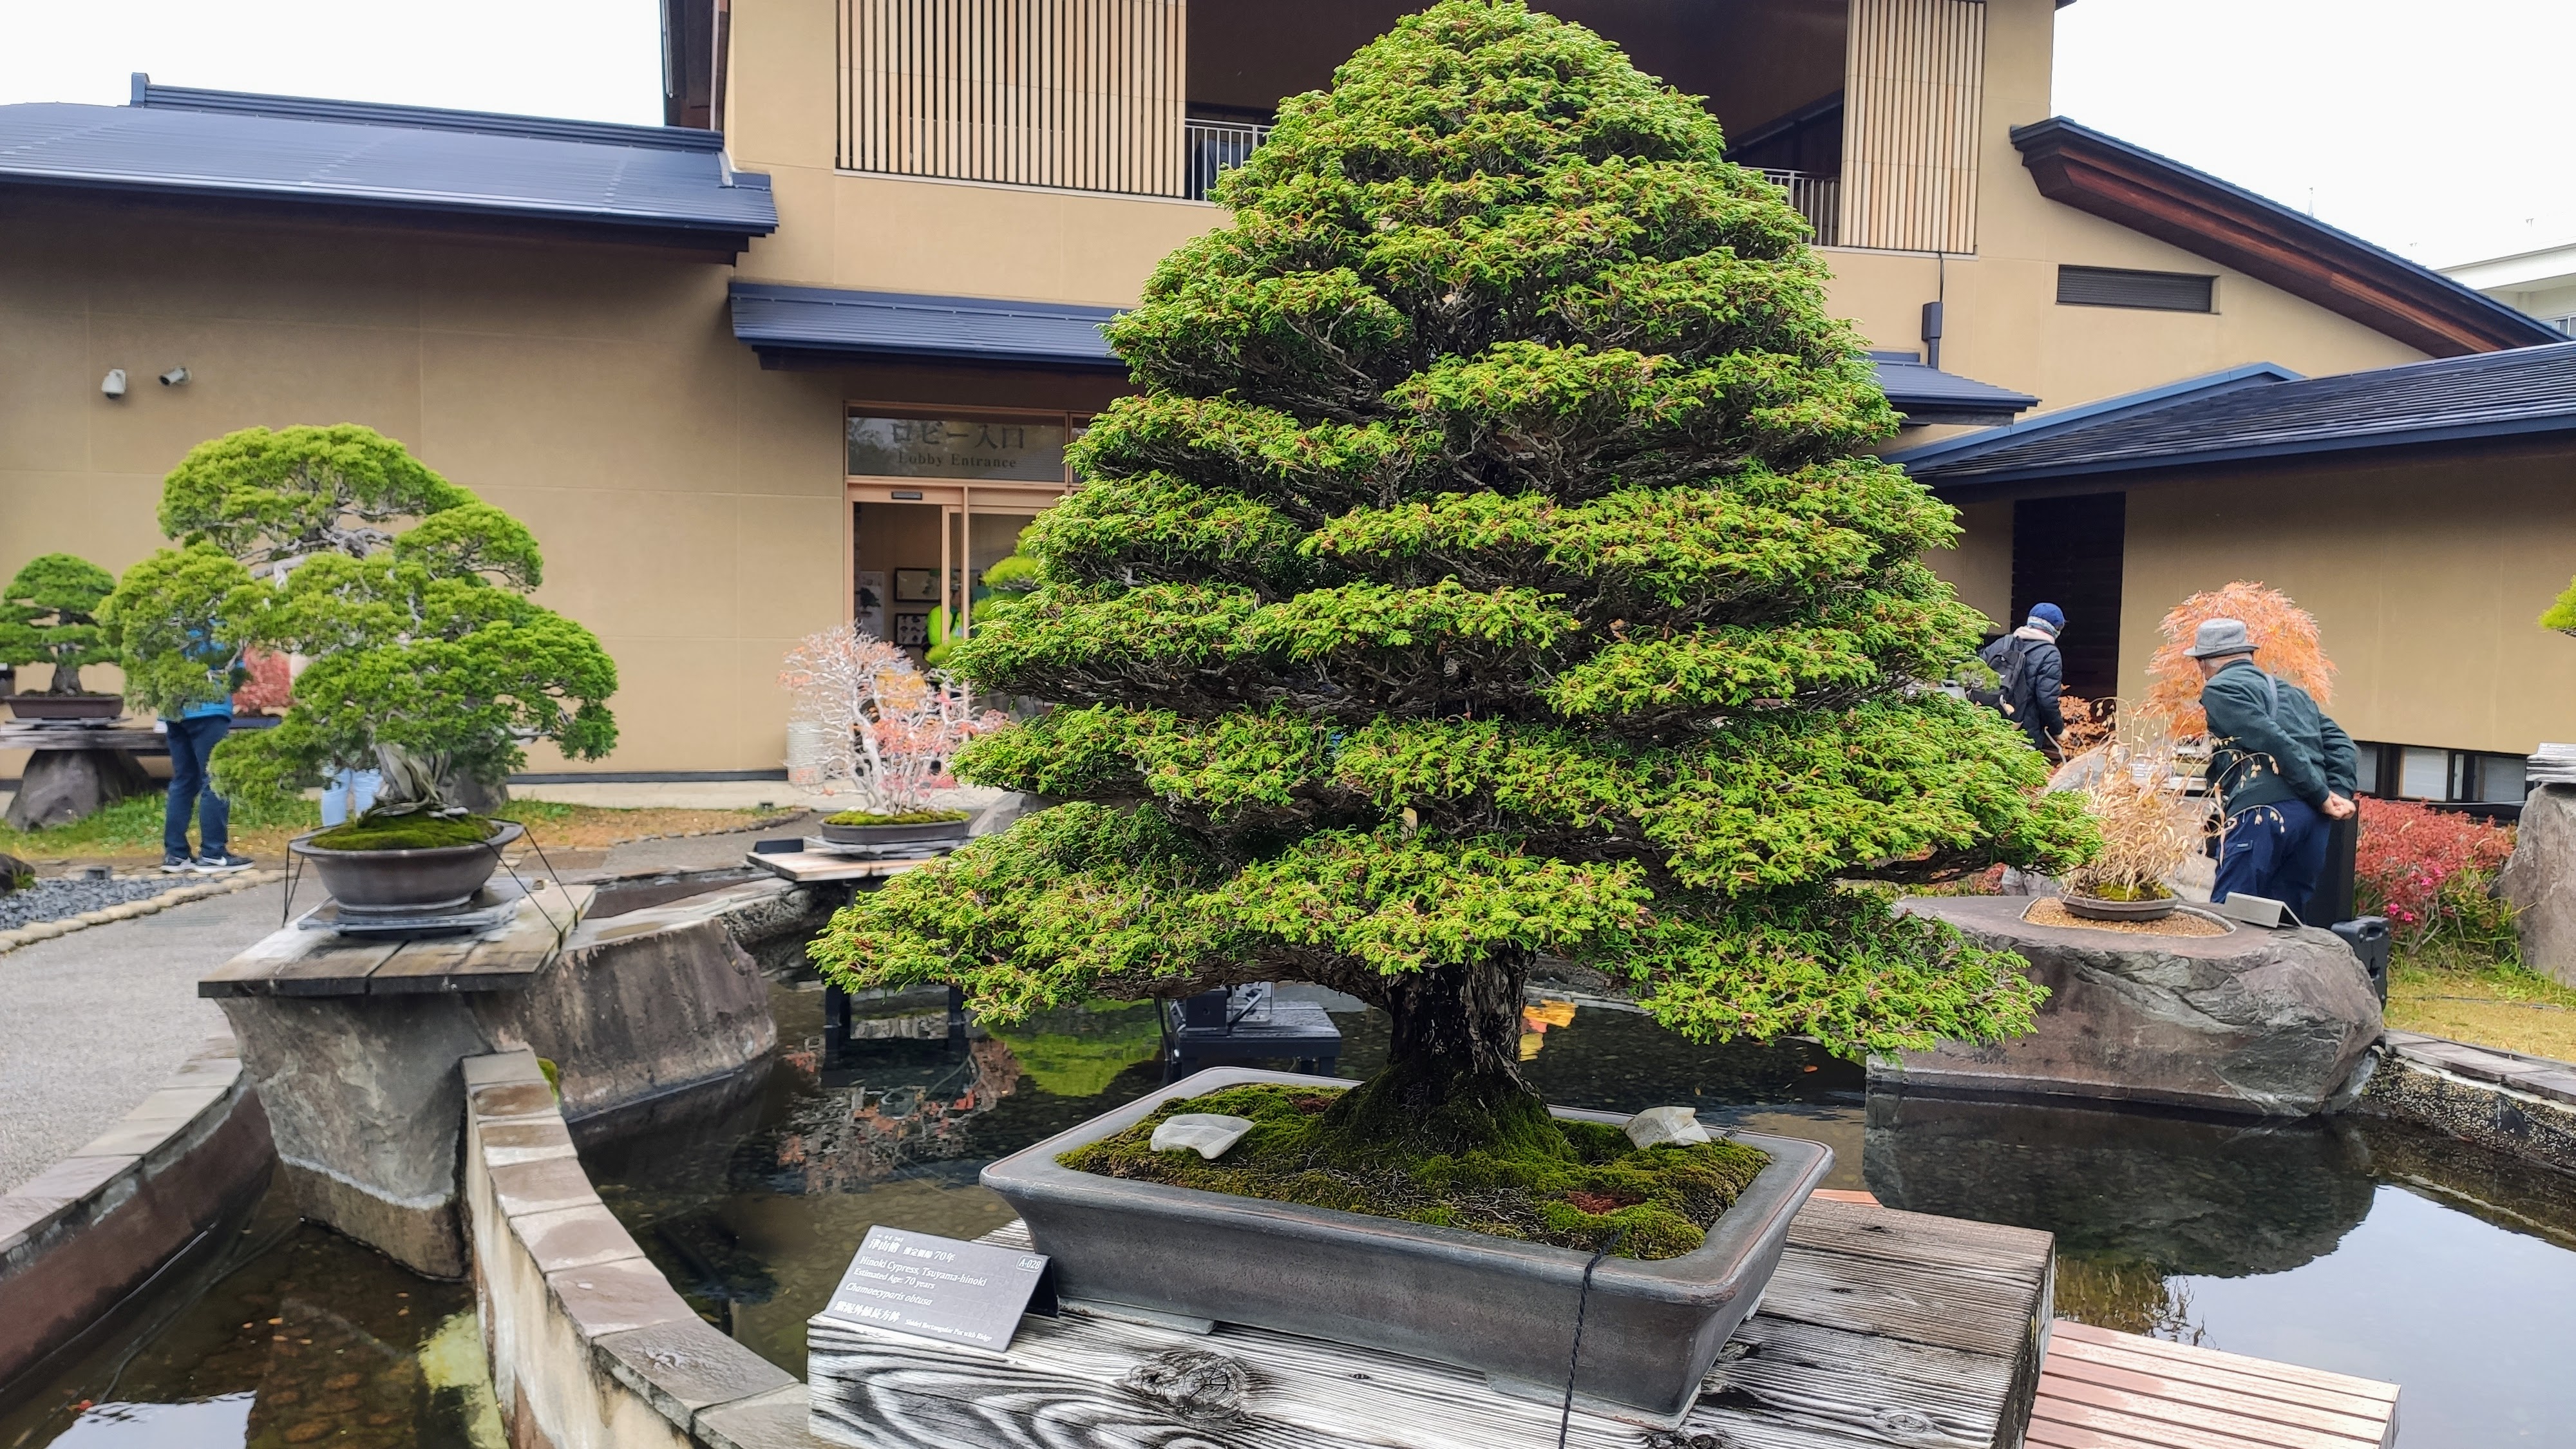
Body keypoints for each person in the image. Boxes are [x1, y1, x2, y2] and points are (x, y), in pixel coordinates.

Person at [2188, 618, 2357, 913]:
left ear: (2203, 664)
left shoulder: (2220, 689)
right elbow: (2342, 744)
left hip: (2262, 815)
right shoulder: (2294, 693)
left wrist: (2321, 794)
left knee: (2232, 913)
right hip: (2312, 821)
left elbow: (2274, 741)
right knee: (2285, 919)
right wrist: (2337, 792)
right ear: (2248, 655)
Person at [162, 631, 254, 875]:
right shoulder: (220, 626)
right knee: (215, 779)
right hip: (209, 708)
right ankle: (213, 852)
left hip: (173, 708)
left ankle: (175, 854)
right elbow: (235, 670)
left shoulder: (168, 625)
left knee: (184, 780)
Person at [1978, 602, 2067, 755]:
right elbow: (2047, 699)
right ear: (2055, 628)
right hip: (2024, 735)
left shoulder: (2002, 643)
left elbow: (1976, 672)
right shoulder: (2049, 654)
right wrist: (2058, 730)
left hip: (1987, 725)